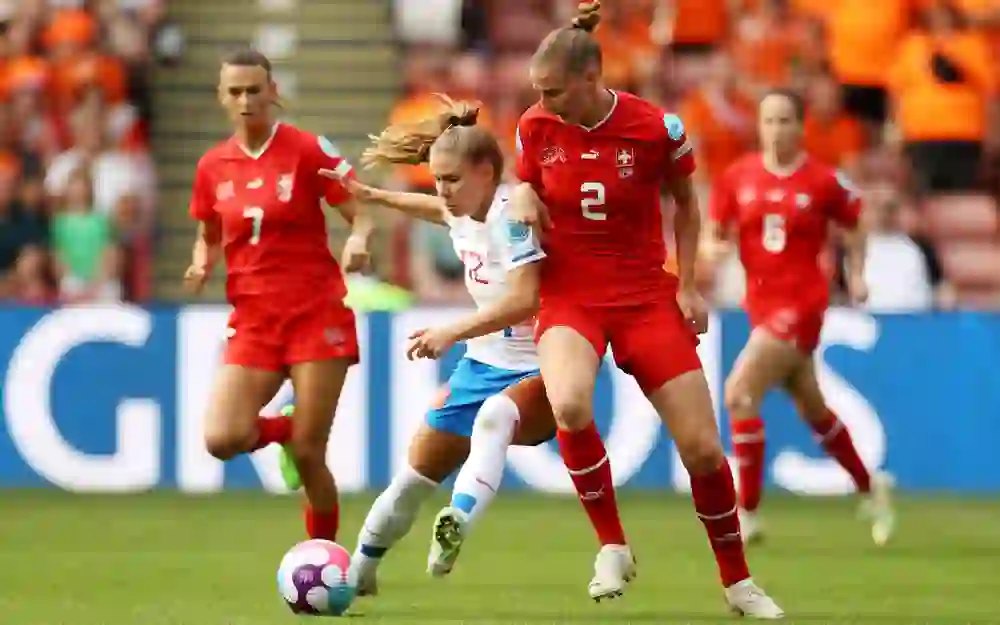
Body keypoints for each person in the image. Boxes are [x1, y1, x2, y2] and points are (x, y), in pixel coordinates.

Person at [508, 2, 783, 617]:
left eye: (554, 91)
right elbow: (523, 179)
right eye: (538, 93)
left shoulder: (657, 127)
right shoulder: (535, 126)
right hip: (570, 294)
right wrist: (523, 192)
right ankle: (612, 544)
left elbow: (687, 203)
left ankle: (738, 582)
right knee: (571, 402)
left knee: (704, 451)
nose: (543, 103)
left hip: (642, 296)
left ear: (590, 78)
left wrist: (686, 284)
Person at [329, 96, 557, 596]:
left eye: (452, 179)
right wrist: (375, 195)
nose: (442, 190)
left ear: (485, 172)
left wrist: (451, 331)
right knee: (412, 477)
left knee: (495, 417)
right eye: (437, 178)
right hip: (481, 366)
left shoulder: (512, 216)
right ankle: (360, 573)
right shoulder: (462, 209)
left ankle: (458, 520)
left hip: (542, 366)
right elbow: (437, 210)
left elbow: (526, 298)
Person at [184, 47, 373, 543]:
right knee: (222, 438)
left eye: (254, 89)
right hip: (254, 321)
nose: (246, 100)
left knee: (311, 454)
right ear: (222, 98)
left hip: (316, 313)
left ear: (273, 92)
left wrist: (358, 239)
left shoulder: (308, 149)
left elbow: (362, 207)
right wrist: (202, 260)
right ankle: (284, 429)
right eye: (235, 92)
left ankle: (328, 558)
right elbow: (207, 229)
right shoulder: (212, 167)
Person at [707, 89, 895, 547]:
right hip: (761, 307)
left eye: (786, 120)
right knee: (812, 407)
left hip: (804, 305)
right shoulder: (737, 177)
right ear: (760, 126)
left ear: (800, 126)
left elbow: (856, 223)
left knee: (738, 393)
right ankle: (872, 490)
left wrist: (857, 274)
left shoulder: (823, 180)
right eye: (769, 120)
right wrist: (712, 254)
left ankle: (746, 513)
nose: (776, 129)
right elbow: (716, 234)